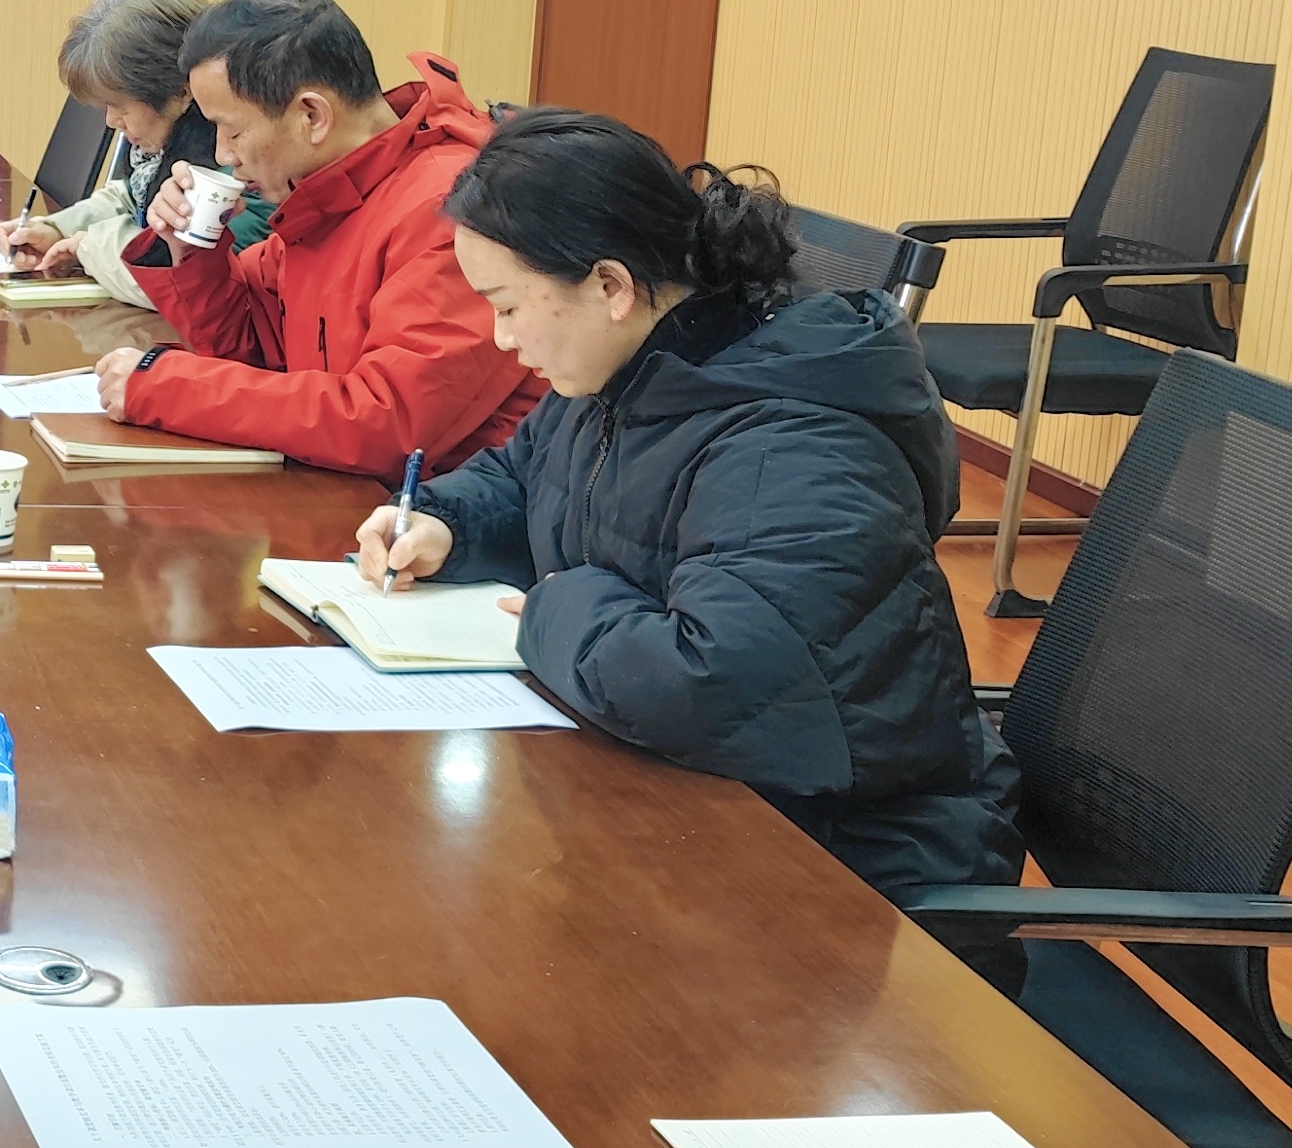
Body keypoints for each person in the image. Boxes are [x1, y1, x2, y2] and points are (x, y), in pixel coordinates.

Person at [355, 109, 1024, 908]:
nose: (500, 338)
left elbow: (710, 678)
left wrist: (557, 607)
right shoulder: (630, 364)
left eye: (506, 305)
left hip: (850, 873)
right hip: (700, 809)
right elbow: (526, 473)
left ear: (610, 286)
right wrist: (445, 522)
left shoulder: (795, 443)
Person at [93, 0, 538, 475]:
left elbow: (386, 422)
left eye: (231, 130)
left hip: (436, 510)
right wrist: (194, 251)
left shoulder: (452, 210)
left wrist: (166, 387)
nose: (222, 155)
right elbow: (251, 348)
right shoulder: (331, 192)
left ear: (312, 117)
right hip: (351, 492)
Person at [0, 0, 268, 309]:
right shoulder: (162, 147)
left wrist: (87, 247)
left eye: (119, 105)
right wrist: (57, 229)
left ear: (180, 91)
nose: (110, 122)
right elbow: (130, 197)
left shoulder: (236, 169)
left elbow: (180, 281)